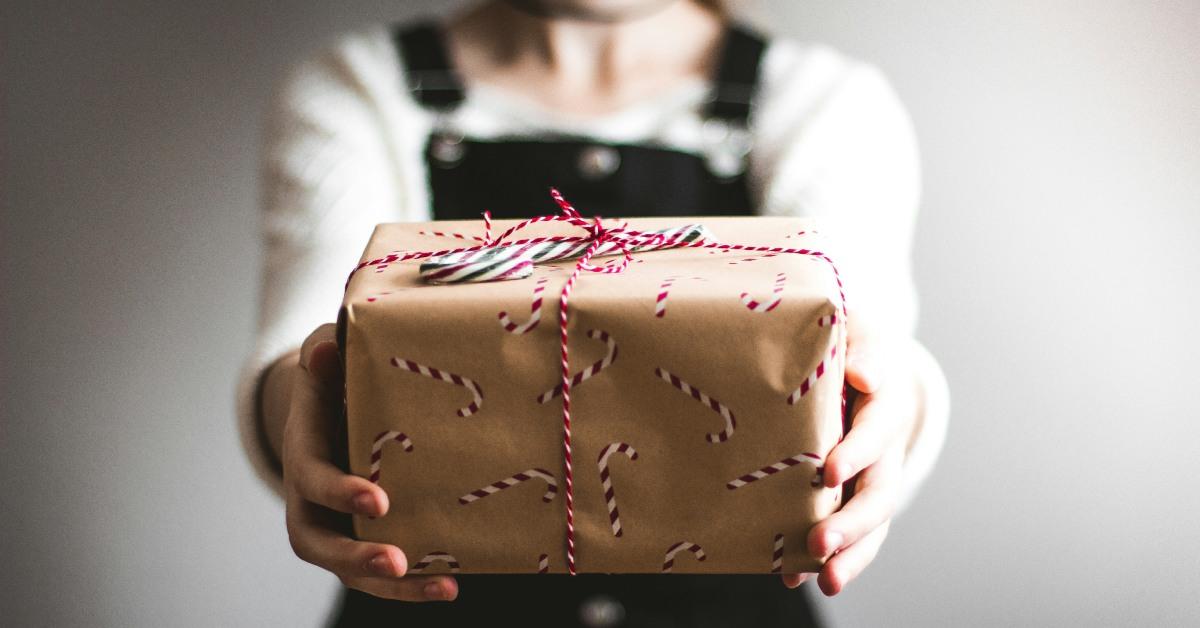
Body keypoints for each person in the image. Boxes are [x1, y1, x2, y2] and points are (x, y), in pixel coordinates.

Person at [235, 1, 950, 625]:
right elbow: (306, 341)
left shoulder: (821, 100)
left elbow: (870, 335)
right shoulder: (360, 89)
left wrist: (893, 406)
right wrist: (302, 414)